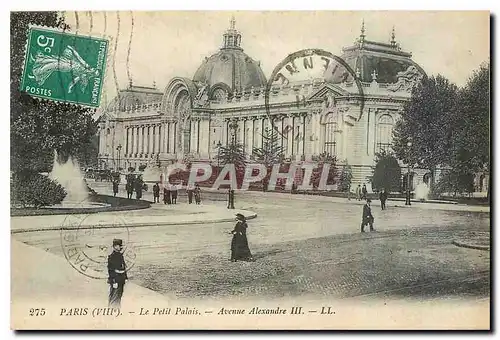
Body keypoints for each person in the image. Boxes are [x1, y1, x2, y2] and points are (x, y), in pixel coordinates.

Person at [107, 238, 128, 308]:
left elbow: (123, 267)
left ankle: (116, 311)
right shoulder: (112, 257)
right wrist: (114, 281)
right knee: (114, 298)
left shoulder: (120, 255)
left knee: (118, 297)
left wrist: (125, 277)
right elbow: (111, 270)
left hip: (121, 280)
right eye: (119, 245)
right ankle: (112, 313)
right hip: (116, 281)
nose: (121, 247)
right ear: (115, 246)